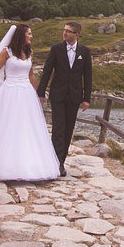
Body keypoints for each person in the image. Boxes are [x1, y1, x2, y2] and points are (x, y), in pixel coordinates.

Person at [0, 24, 59, 181]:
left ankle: (28, 164)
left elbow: (31, 76)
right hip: (9, 93)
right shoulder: (7, 52)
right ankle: (5, 165)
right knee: (8, 125)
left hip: (26, 94)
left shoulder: (29, 52)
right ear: (22, 35)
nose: (31, 36)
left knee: (27, 126)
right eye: (29, 33)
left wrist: (40, 92)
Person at [37, 21, 92, 176]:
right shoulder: (56, 49)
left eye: (68, 31)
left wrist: (86, 99)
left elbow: (88, 76)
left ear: (76, 34)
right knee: (58, 129)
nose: (65, 33)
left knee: (68, 130)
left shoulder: (85, 52)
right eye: (64, 30)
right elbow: (47, 71)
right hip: (58, 95)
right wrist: (41, 92)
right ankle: (57, 164)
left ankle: (62, 159)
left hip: (74, 96)